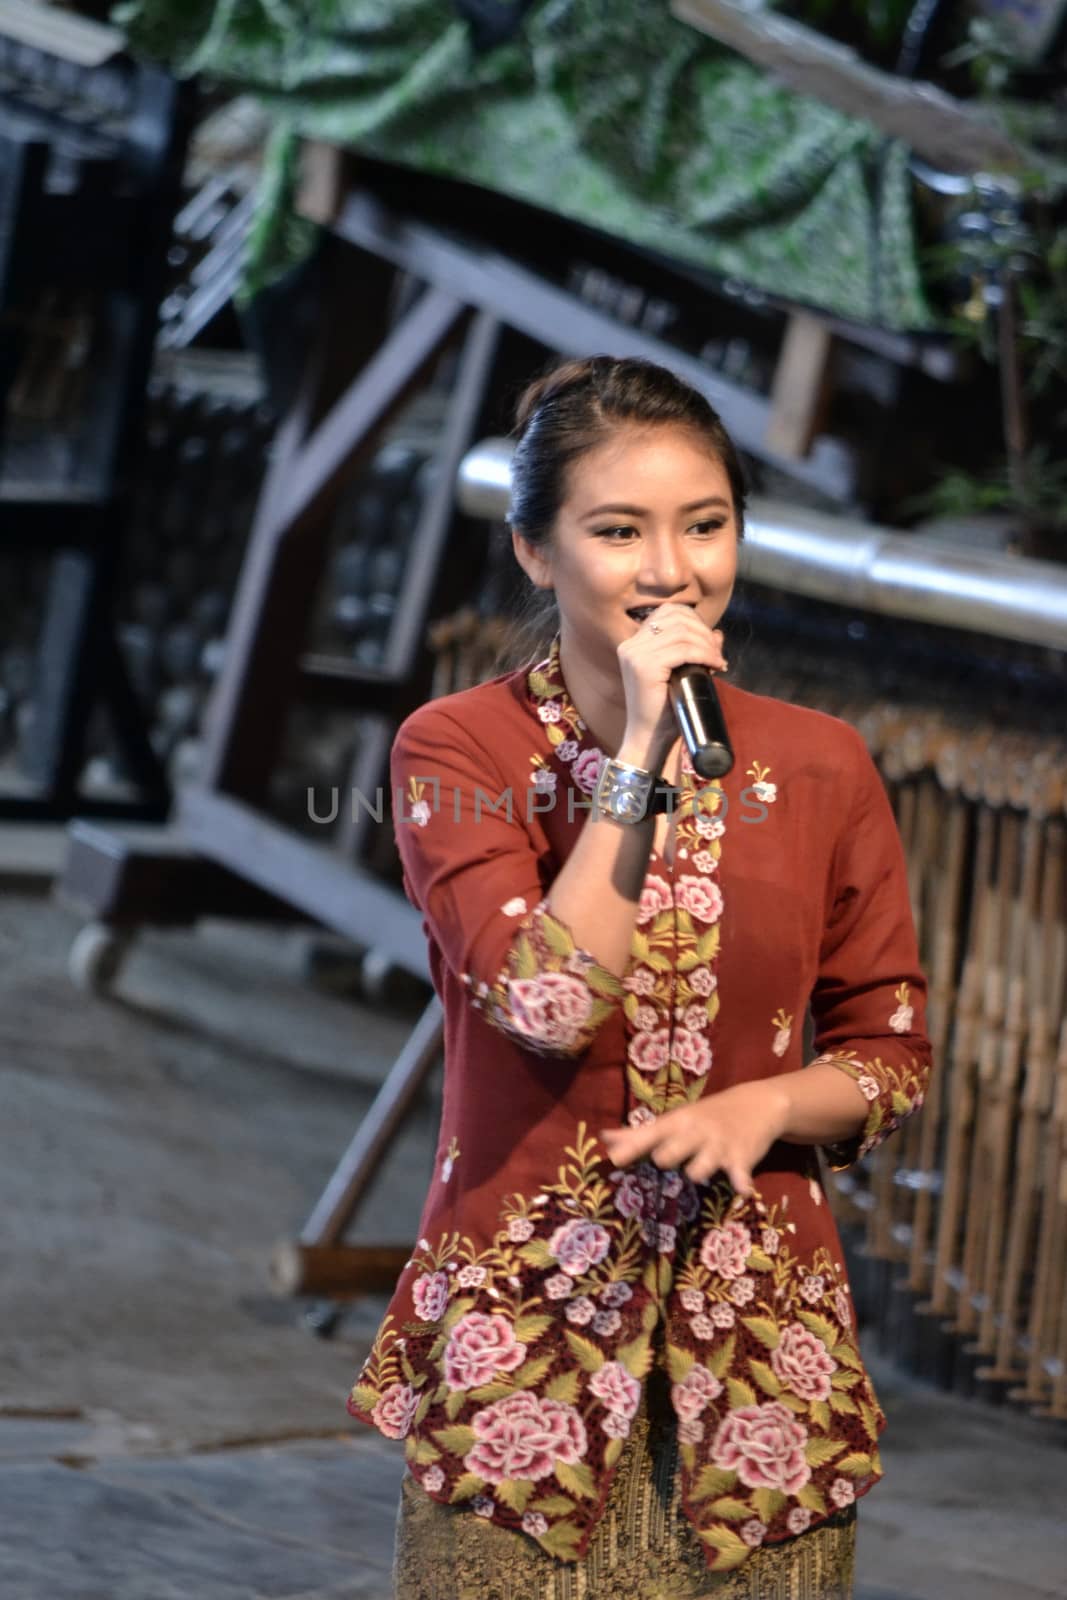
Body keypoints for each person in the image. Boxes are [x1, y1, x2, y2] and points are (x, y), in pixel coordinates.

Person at [347, 356, 931, 1599]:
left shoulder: (821, 766)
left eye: (705, 525)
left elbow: (889, 1050)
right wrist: (635, 768)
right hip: (528, 1358)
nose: (672, 568)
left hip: (762, 1368)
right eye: (619, 530)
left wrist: (765, 1108)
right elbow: (549, 1003)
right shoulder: (455, 750)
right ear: (535, 553)